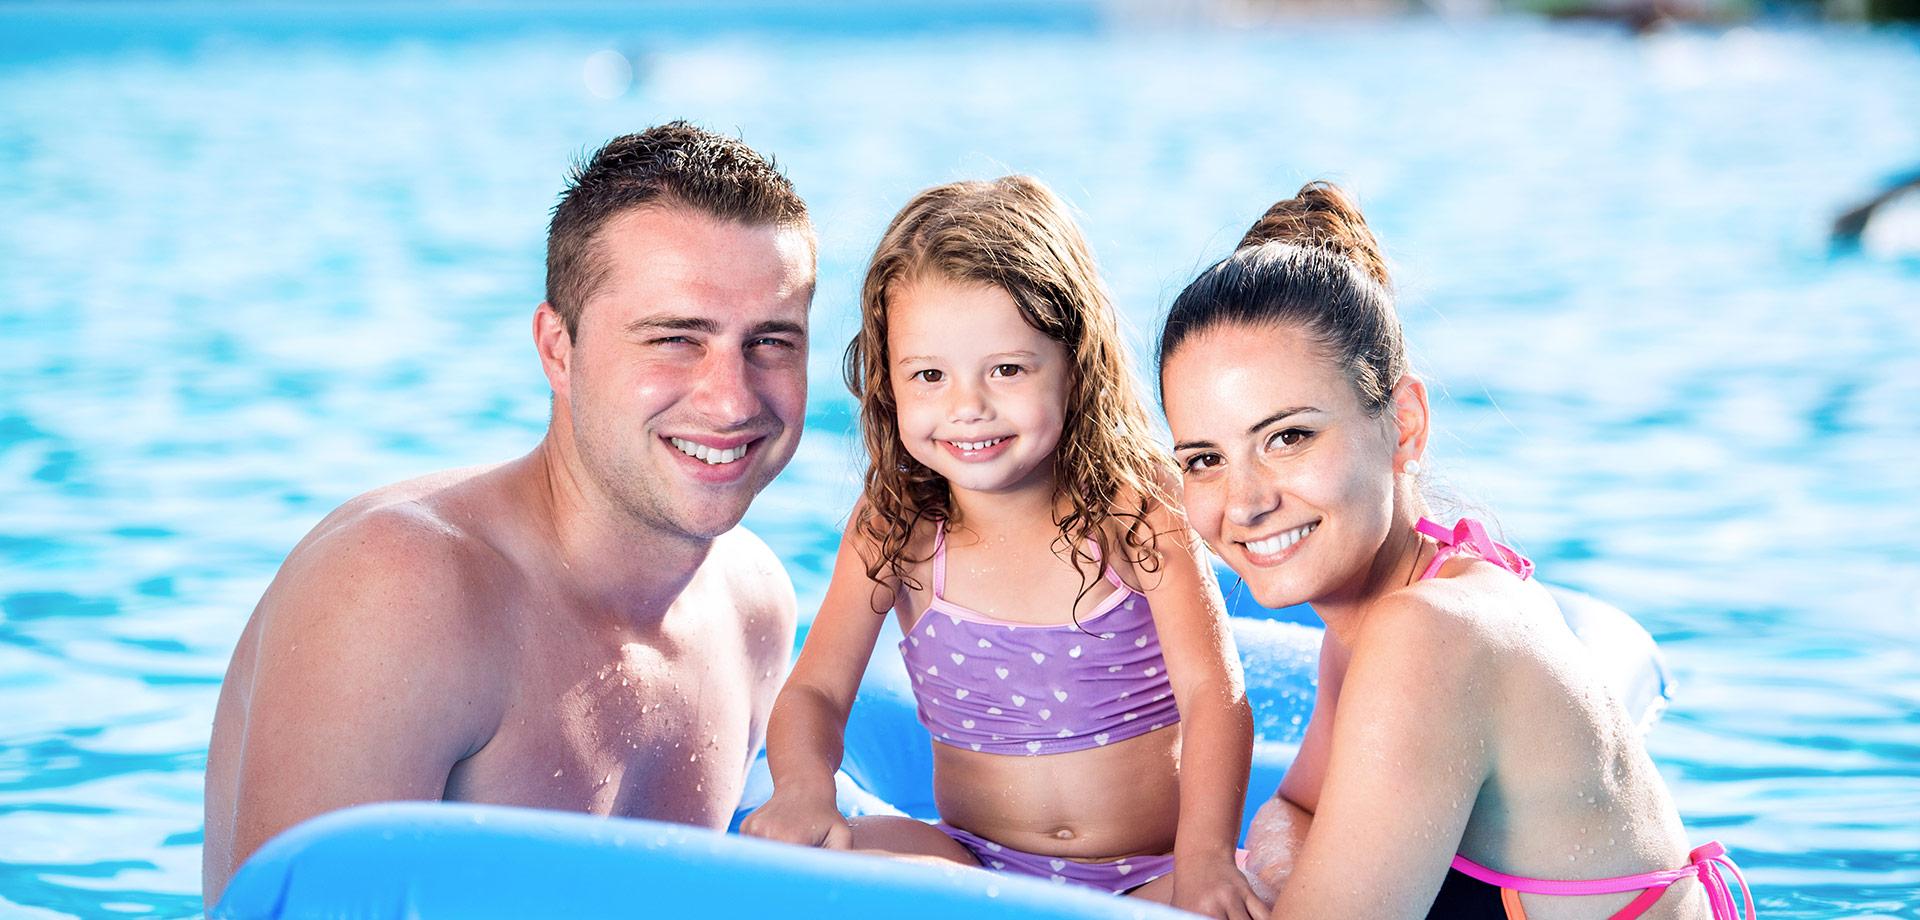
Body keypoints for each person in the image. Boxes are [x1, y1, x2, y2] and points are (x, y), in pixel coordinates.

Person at [201, 123, 815, 906]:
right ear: (557, 349)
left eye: (770, 341)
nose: (732, 399)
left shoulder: (752, 602)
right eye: (674, 339)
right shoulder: (403, 595)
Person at [1156, 182, 1752, 920]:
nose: (1242, 502)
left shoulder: (1431, 633)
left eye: (1289, 437)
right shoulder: (1387, 611)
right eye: (1204, 459)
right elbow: (1293, 810)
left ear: (1404, 425)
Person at [740, 177, 1265, 918]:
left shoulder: (1137, 511)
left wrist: (1208, 859)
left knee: (1290, 888)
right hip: (974, 865)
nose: (968, 407)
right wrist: (802, 790)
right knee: (809, 865)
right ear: (889, 385)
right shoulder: (898, 524)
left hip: (1154, 873)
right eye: (929, 376)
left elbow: (1216, 697)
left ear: (1075, 361)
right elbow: (817, 691)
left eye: (1008, 369)